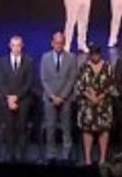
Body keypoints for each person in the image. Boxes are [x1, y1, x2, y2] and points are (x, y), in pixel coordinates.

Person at [39, 32, 77, 162]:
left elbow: (72, 79)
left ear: (64, 43)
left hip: (65, 99)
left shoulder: (71, 58)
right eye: (56, 43)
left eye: (61, 43)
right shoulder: (45, 58)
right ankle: (51, 154)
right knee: (50, 127)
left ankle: (67, 154)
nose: (58, 45)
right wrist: (53, 96)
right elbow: (44, 79)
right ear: (52, 43)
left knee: (67, 127)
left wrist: (62, 96)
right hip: (50, 99)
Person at [75, 45, 115, 166]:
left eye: (96, 54)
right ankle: (88, 159)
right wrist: (90, 96)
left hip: (103, 105)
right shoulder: (84, 67)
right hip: (87, 105)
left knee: (104, 130)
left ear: (100, 54)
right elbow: (79, 85)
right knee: (87, 130)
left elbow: (111, 85)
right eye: (92, 54)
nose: (94, 56)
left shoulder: (108, 67)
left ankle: (102, 159)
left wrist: (100, 97)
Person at [0, 35, 35, 162]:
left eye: (18, 45)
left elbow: (29, 83)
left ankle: (22, 155)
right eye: (14, 45)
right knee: (9, 127)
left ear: (22, 46)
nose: (16, 48)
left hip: (23, 100)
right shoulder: (2, 61)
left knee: (22, 127)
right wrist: (9, 97)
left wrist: (17, 97)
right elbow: (0, 82)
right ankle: (10, 155)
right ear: (10, 46)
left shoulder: (28, 61)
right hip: (7, 100)